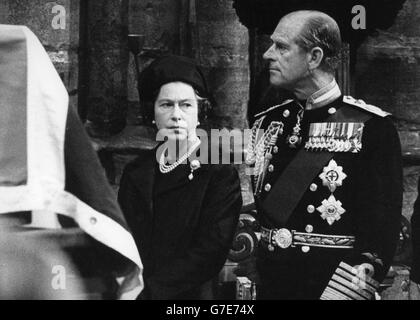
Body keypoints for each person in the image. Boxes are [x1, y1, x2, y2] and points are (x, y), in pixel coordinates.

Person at [246, 10, 403, 300]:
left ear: (314, 57)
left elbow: (379, 234)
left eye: (281, 46)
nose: (268, 54)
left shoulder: (373, 128)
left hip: (330, 290)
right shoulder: (269, 122)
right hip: (273, 286)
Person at [118, 55, 242, 300]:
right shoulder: (137, 172)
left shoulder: (218, 172)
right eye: (166, 105)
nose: (176, 115)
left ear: (200, 113)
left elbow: (210, 251)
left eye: (186, 105)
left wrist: (150, 293)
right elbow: (124, 238)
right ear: (152, 113)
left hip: (189, 296)